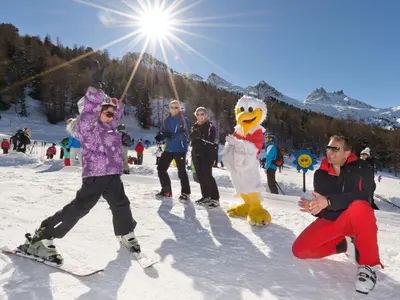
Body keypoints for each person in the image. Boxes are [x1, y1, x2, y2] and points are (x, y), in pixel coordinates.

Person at [19, 83, 140, 265]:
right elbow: (88, 113)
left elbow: (116, 115)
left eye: (113, 114)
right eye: (107, 113)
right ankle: (43, 236)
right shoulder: (87, 129)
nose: (111, 117)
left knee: (121, 203)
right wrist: (96, 94)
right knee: (81, 207)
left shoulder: (110, 127)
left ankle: (126, 233)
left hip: (113, 174)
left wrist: (118, 105)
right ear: (96, 113)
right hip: (95, 175)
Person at [292, 135, 383, 295]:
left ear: (347, 153)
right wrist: (314, 207)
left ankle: (368, 266)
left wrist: (329, 201)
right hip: (333, 220)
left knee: (360, 206)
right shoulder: (320, 174)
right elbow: (323, 206)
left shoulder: (363, 168)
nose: (330, 152)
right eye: (328, 148)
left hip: (356, 218)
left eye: (336, 148)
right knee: (300, 250)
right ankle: (344, 244)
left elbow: (364, 196)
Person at [154, 100, 191, 201]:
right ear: (169, 108)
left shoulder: (184, 120)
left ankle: (185, 193)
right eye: (172, 107)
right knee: (161, 169)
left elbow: (186, 135)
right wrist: (160, 137)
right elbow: (163, 132)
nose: (174, 109)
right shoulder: (167, 120)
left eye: (176, 107)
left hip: (180, 149)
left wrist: (173, 135)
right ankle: (166, 191)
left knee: (181, 171)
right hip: (169, 148)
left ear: (179, 108)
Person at [190, 107, 220, 208]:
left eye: (202, 114)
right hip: (196, 153)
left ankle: (215, 199)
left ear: (206, 115)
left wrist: (201, 137)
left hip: (206, 153)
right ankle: (206, 196)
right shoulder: (194, 126)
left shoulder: (210, 126)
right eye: (198, 114)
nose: (200, 116)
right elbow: (191, 139)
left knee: (207, 175)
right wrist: (193, 138)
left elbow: (212, 140)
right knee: (200, 175)